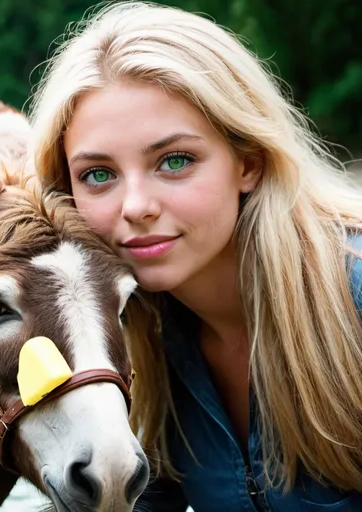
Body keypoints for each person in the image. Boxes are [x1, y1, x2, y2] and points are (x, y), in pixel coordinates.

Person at [29, 2, 362, 510]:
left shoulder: (355, 295)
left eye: (175, 161)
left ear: (247, 162)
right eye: (99, 174)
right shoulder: (134, 343)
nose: (136, 206)